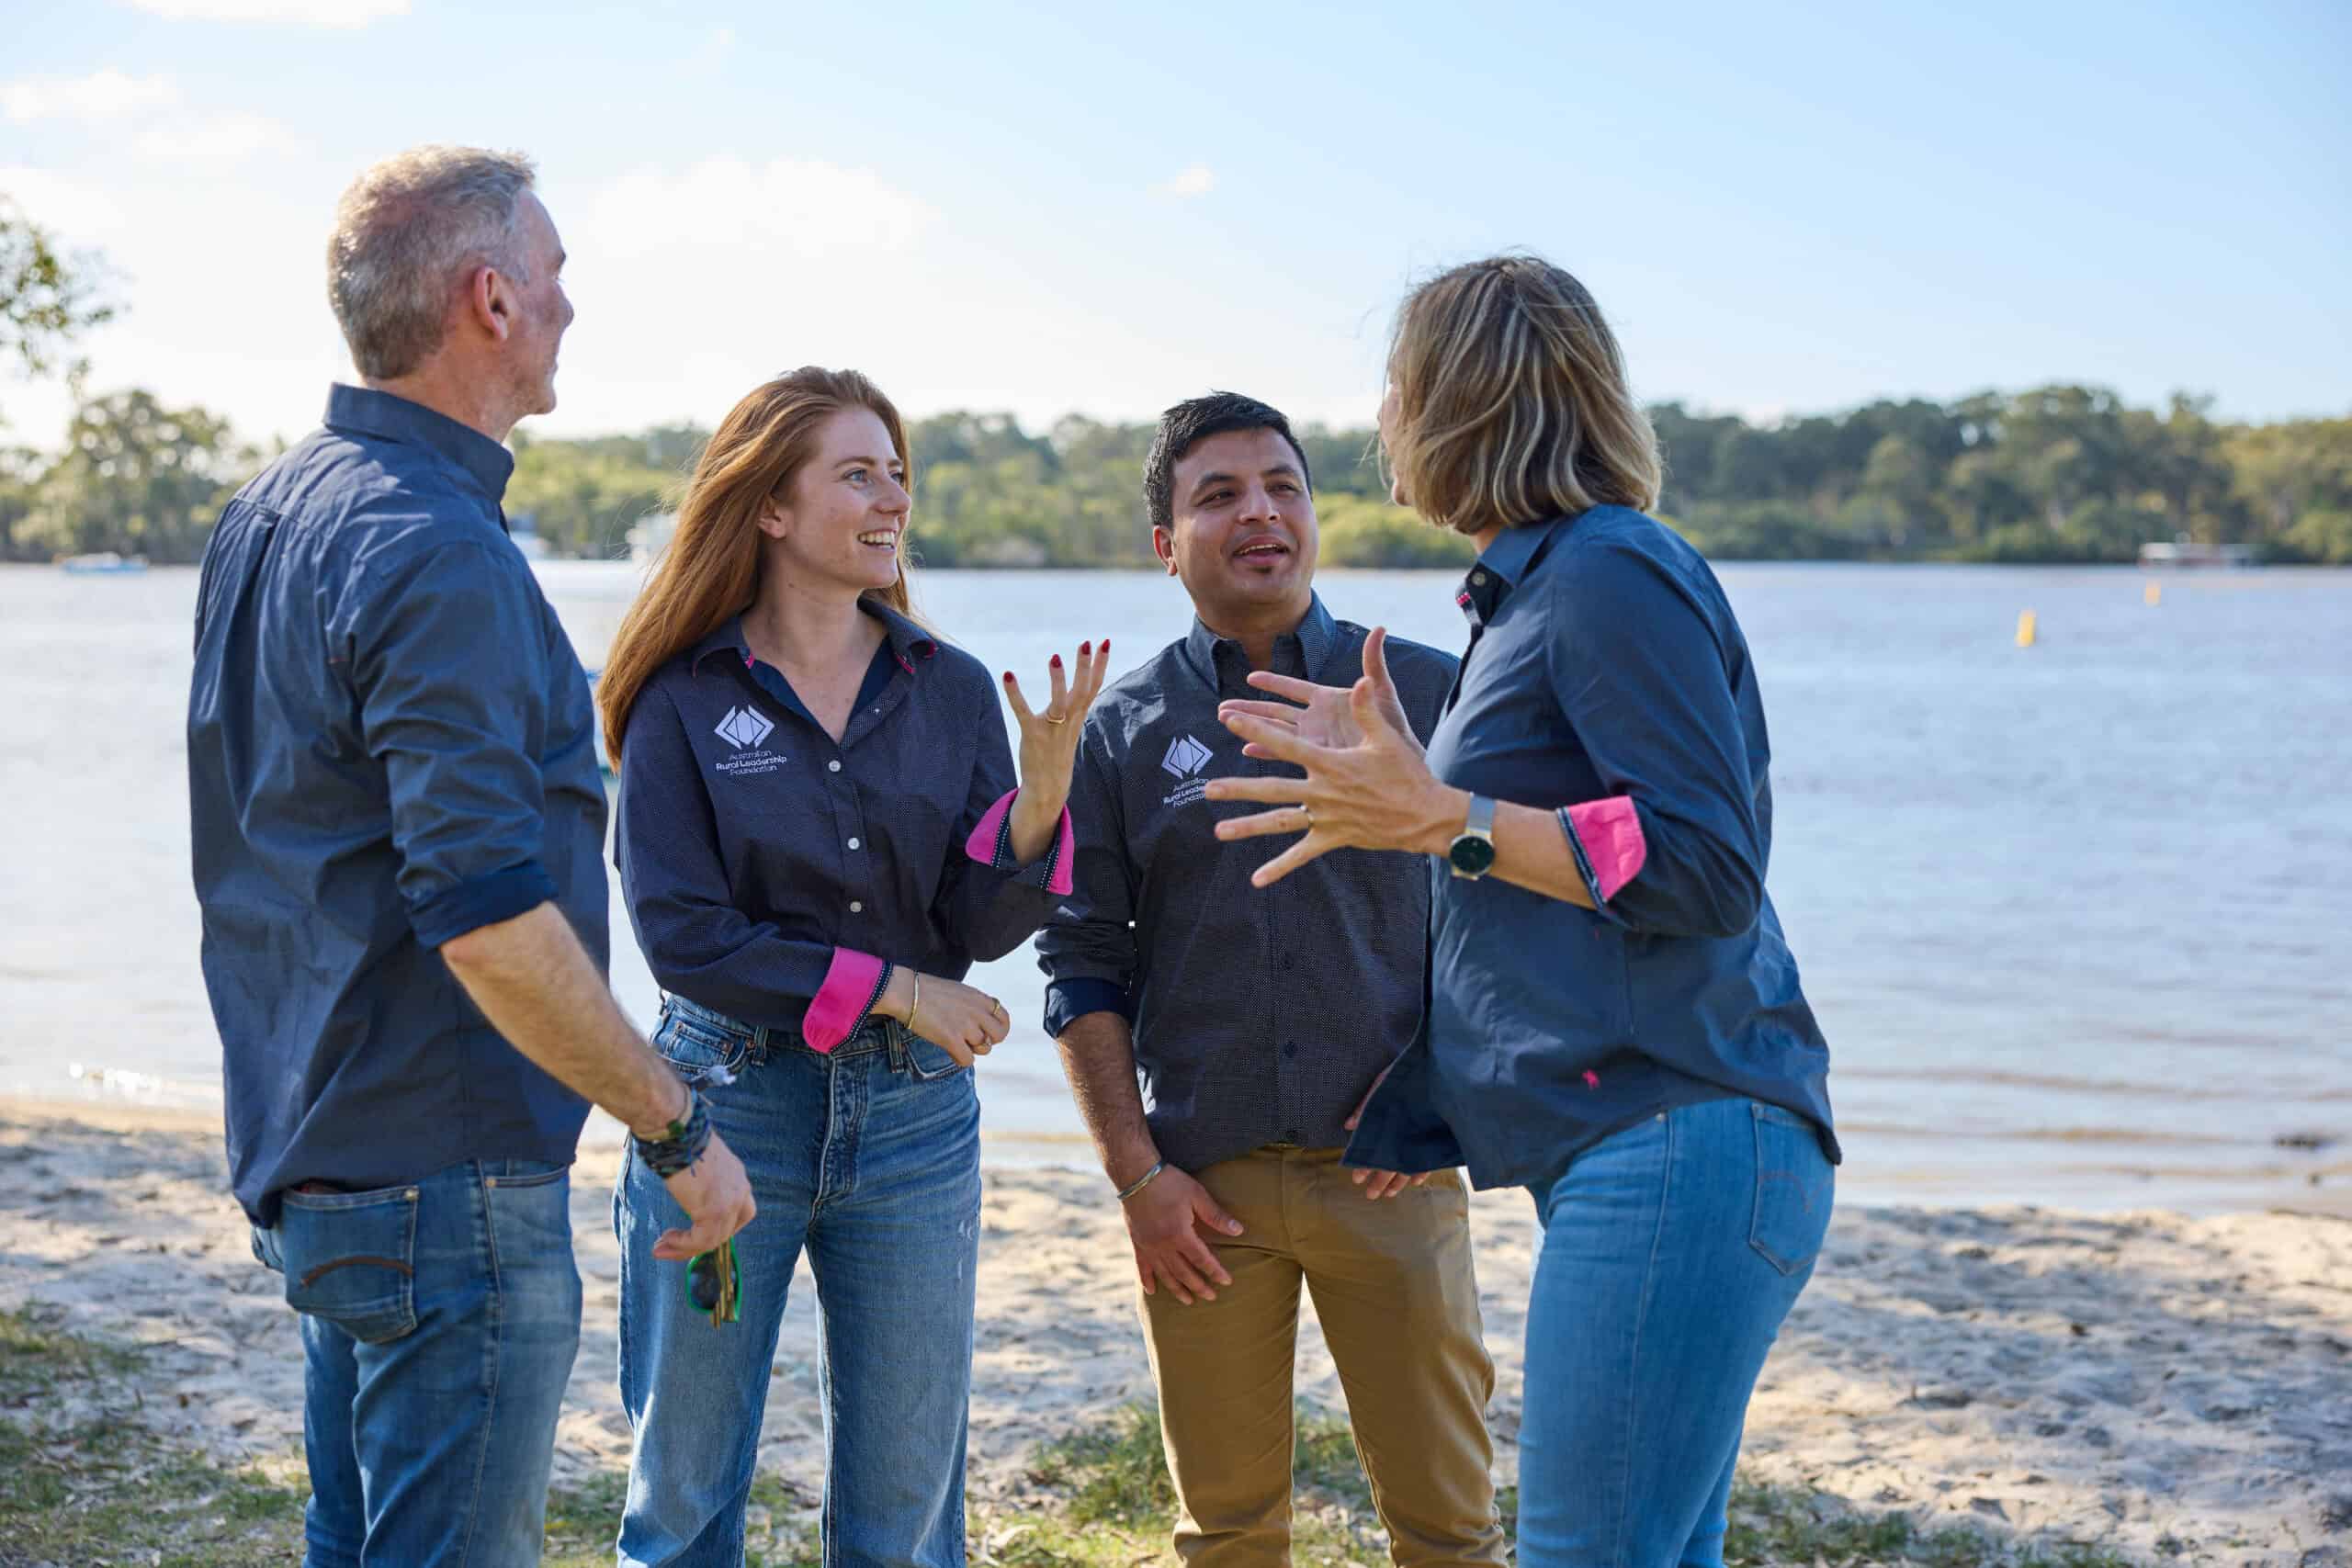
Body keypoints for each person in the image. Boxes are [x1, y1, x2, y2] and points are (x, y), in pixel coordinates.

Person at [1205, 255, 1840, 1568]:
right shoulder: (1533, 593)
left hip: (1677, 1130)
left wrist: (1451, 816)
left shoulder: (1612, 570)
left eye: (1394, 385)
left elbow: (1703, 857)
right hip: (1639, 1142)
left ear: (1456, 400)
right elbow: (1543, 904)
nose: (1380, 418)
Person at [186, 145, 753, 1568]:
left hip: (320, 1154)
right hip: (443, 1189)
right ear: (491, 300)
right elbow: (488, 916)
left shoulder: (268, 514)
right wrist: (674, 1125)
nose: (572, 308)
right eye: (556, 279)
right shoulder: (434, 546)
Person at [594, 366, 1102, 1568]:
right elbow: (688, 941)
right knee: (683, 1501)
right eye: (857, 473)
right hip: (721, 1113)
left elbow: (975, 923)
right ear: (769, 505)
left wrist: (1040, 800)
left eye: (900, 474)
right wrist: (896, 986)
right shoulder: (679, 701)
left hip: (918, 1128)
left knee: (908, 1514)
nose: (893, 500)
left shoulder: (957, 689)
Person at [1037, 392, 1507, 1566]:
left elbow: (1514, 925)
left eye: (1283, 486)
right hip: (1202, 1194)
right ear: (1166, 543)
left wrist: (1439, 1090)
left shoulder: (1430, 692)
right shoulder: (1124, 729)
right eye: (1219, 495)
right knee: (1226, 1535)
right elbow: (1080, 963)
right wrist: (1136, 1175)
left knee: (1449, 1532)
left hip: (1391, 1174)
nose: (1260, 513)